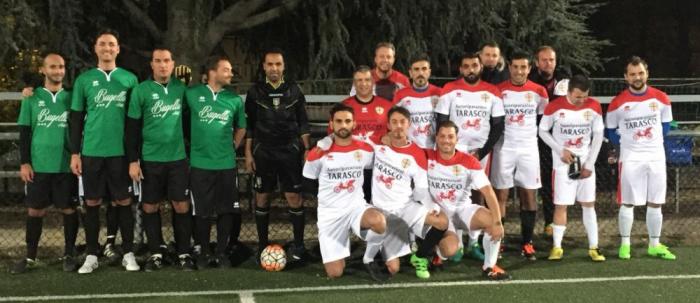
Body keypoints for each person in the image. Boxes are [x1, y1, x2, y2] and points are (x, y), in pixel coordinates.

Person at [70, 29, 139, 274]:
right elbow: (76, 119)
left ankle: (128, 252)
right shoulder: (84, 80)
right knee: (92, 202)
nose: (107, 48)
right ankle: (91, 254)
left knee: (123, 201)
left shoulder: (130, 80)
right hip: (91, 152)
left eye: (112, 44)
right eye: (103, 44)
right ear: (96, 48)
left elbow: (134, 122)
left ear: (118, 49)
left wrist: (134, 157)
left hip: (120, 153)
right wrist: (75, 153)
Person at [125, 47, 195, 271]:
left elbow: (189, 122)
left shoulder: (182, 90)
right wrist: (133, 160)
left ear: (173, 64)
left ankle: (183, 252)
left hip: (177, 159)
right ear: (152, 65)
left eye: (166, 61)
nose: (163, 65)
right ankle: (155, 252)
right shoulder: (140, 91)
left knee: (181, 205)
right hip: (150, 160)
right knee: (150, 205)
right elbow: (132, 130)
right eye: (158, 61)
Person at [364, 106, 451, 280]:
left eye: (402, 122)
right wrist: (380, 137)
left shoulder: (417, 154)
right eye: (394, 122)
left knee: (441, 222)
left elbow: (421, 189)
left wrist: (429, 206)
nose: (398, 126)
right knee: (393, 269)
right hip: (381, 212)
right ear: (388, 125)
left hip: (404, 206)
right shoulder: (377, 142)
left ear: (409, 124)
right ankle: (384, 245)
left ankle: (419, 256)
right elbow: (360, 140)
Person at [11, 53, 79, 274]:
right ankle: (30, 256)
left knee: (68, 209)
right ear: (43, 70)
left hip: (64, 165)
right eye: (53, 67)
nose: (58, 70)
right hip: (39, 165)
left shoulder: (71, 97)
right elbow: (24, 132)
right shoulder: (32, 97)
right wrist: (25, 163)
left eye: (61, 66)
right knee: (35, 211)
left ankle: (69, 254)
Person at [303, 103, 387, 278]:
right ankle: (341, 247)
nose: (343, 125)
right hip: (330, 214)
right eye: (339, 121)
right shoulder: (319, 152)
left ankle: (369, 258)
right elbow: (308, 181)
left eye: (347, 121)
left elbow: (381, 166)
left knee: (379, 221)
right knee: (335, 273)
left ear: (354, 124)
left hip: (355, 207)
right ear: (331, 124)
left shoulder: (365, 149)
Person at [435, 52, 505, 261]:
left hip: (480, 151)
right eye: (466, 66)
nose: (470, 69)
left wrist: (482, 151)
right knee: (451, 192)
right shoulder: (449, 90)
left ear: (480, 67)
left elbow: (498, 125)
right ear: (461, 69)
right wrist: (450, 148)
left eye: (474, 65)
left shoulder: (492, 92)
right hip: (454, 150)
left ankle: (474, 242)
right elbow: (441, 121)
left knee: (478, 194)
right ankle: (455, 240)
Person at [606, 56, 676, 260]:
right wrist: (628, 144)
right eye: (633, 74)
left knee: (655, 202)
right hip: (630, 158)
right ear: (626, 77)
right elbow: (610, 131)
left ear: (647, 73)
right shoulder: (617, 102)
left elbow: (665, 127)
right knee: (628, 202)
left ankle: (654, 244)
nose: (637, 77)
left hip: (655, 156)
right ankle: (625, 245)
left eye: (641, 73)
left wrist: (649, 142)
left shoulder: (661, 98)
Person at [244, 49, 311, 262]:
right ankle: (262, 246)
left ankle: (299, 246)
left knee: (294, 196)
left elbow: (303, 123)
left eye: (278, 64)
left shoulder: (294, 90)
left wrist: (306, 149)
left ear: (283, 66)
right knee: (262, 196)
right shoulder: (255, 92)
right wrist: (248, 154)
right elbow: (250, 127)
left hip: (289, 151)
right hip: (263, 151)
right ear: (264, 66)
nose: (274, 68)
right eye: (270, 64)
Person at [427, 121, 510, 280]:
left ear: (457, 139)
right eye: (442, 136)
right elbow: (405, 149)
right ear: (436, 138)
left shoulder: (469, 161)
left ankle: (489, 267)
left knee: (493, 221)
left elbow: (489, 193)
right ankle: (438, 253)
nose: (446, 140)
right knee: (450, 250)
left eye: (450, 136)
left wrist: (498, 223)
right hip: (439, 216)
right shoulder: (426, 156)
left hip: (463, 210)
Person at [185, 56, 246, 268]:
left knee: (226, 210)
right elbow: (182, 121)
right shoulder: (192, 95)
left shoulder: (234, 100)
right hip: (200, 164)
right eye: (227, 70)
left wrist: (233, 146)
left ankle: (221, 253)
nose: (230, 74)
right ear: (213, 72)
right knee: (201, 211)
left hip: (226, 165)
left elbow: (242, 127)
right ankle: (203, 252)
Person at [538, 75, 606, 262]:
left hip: (585, 164)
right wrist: (560, 150)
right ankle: (557, 247)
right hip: (562, 166)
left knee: (588, 204)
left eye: (584, 96)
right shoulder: (554, 106)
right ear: (568, 92)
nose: (582, 100)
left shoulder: (594, 106)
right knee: (561, 205)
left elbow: (598, 135)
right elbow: (542, 131)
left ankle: (594, 247)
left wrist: (590, 164)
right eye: (577, 97)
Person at [492, 52, 549, 260]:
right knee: (501, 196)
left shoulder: (539, 91)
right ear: (509, 67)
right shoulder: (498, 91)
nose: (519, 71)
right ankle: (499, 241)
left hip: (528, 148)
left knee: (529, 195)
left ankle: (527, 243)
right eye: (515, 67)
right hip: (503, 147)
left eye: (523, 67)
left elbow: (544, 121)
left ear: (529, 68)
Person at [528, 46, 572, 237]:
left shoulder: (564, 79)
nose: (548, 63)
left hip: (558, 139)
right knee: (533, 183)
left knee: (555, 181)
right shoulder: (530, 81)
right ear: (537, 62)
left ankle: (552, 222)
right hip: (533, 137)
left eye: (551, 60)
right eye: (544, 60)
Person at [393, 54, 442, 149]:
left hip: (434, 149)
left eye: (424, 69)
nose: (420, 73)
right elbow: (393, 121)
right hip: (409, 149)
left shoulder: (439, 93)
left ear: (429, 72)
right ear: (410, 73)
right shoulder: (400, 95)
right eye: (416, 69)